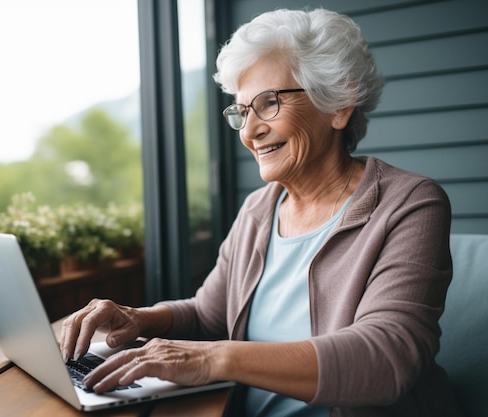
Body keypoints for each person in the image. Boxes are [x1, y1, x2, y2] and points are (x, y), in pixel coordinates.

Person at [59, 8, 462, 416]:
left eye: (269, 103)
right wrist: (141, 318)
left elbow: (385, 359)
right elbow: (209, 315)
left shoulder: (409, 203)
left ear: (339, 101)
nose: (250, 131)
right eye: (242, 111)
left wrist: (214, 359)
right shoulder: (258, 209)